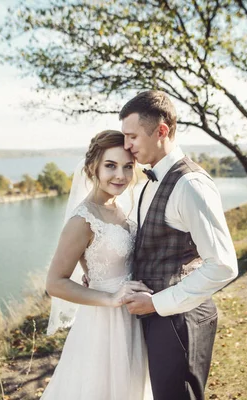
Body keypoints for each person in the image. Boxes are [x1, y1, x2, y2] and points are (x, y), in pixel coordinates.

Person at [119, 90, 238, 400]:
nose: (126, 146)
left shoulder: (190, 185)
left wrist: (156, 304)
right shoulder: (150, 179)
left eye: (132, 136)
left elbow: (223, 265)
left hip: (180, 322)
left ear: (161, 131)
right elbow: (149, 245)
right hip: (158, 319)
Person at [41, 130, 153, 399]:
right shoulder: (82, 220)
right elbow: (55, 283)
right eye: (111, 166)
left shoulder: (122, 208)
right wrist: (111, 297)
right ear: (93, 167)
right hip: (104, 323)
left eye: (128, 167)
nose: (121, 176)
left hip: (135, 316)